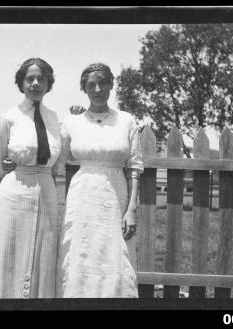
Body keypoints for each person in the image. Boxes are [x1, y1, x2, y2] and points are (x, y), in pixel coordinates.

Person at [56, 63, 143, 298]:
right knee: (80, 252)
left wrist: (131, 208)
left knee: (115, 254)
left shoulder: (126, 120)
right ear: (84, 88)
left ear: (111, 85)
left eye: (102, 83)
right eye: (91, 84)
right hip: (82, 196)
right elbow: (54, 159)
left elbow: (134, 165)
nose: (97, 89)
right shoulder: (72, 122)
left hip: (116, 196)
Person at [0, 58, 61, 299]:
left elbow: (58, 159)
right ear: (21, 83)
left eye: (41, 79)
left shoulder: (54, 118)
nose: (35, 83)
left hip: (46, 191)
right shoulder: (9, 118)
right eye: (30, 79)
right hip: (15, 194)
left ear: (48, 83)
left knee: (43, 252)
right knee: (9, 252)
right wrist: (18, 174)